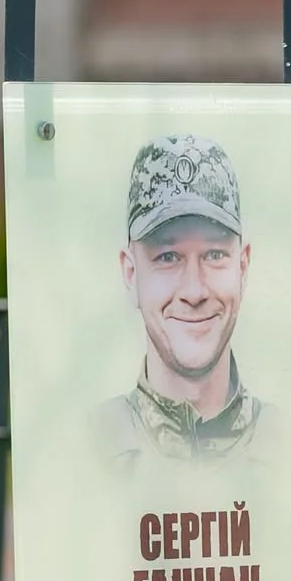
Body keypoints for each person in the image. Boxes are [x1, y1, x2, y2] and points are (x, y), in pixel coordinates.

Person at [95, 133, 270, 464]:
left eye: (215, 254)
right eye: (167, 257)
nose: (194, 291)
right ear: (131, 275)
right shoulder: (84, 453)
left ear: (242, 268)